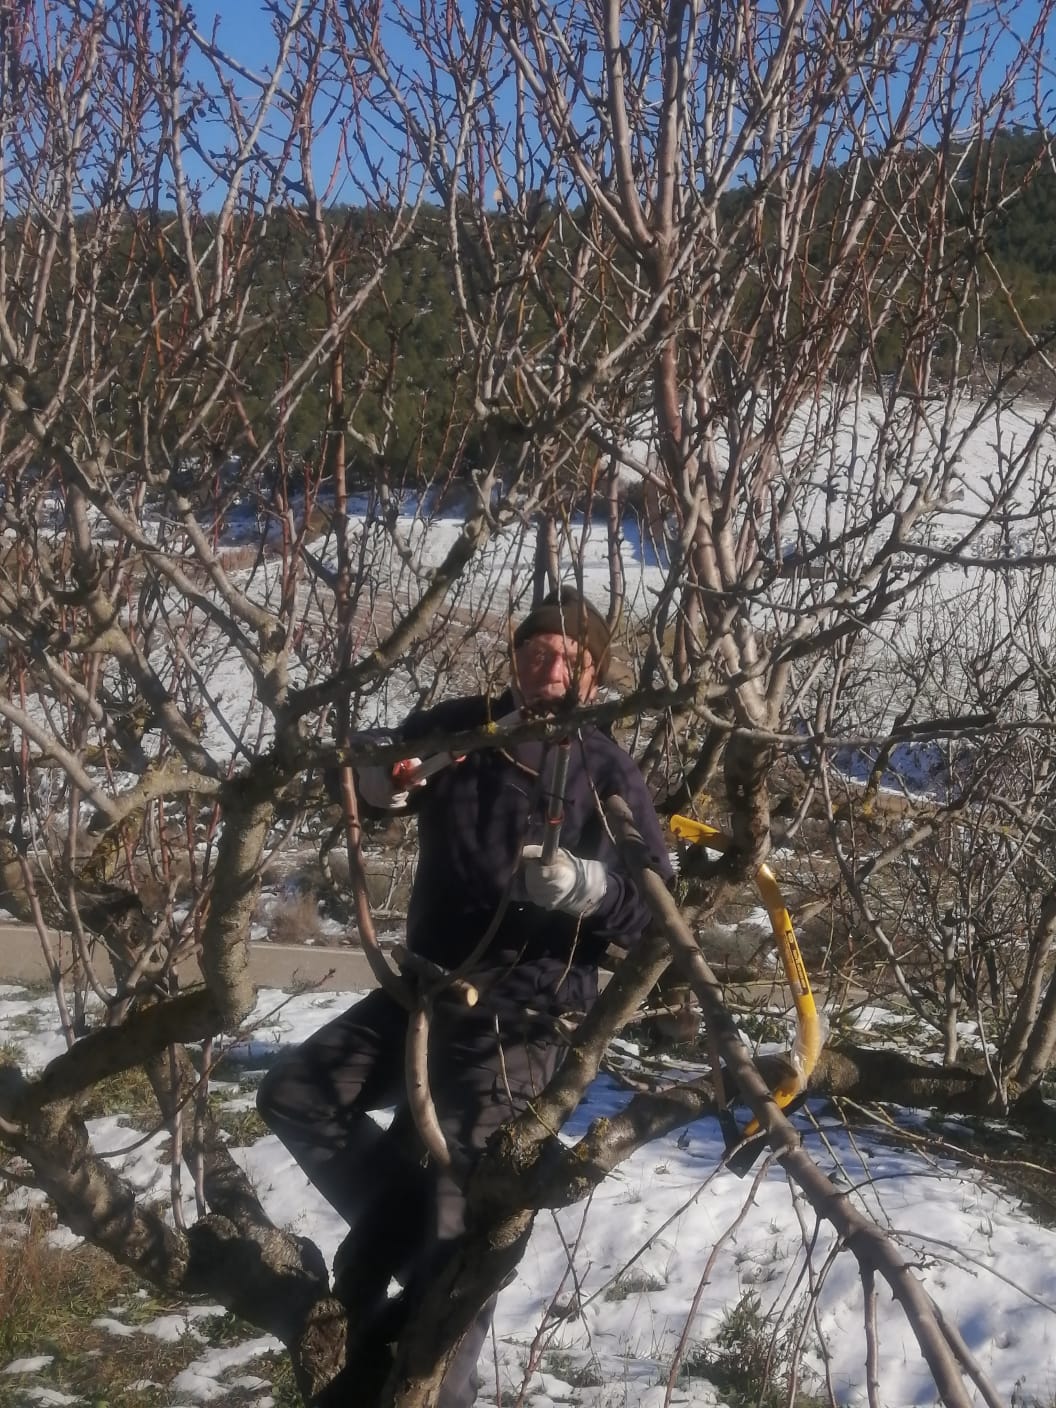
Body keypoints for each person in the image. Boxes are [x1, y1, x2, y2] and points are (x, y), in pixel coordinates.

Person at [257, 586, 674, 1406]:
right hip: (425, 991)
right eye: (536, 652)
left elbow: (656, 904)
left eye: (570, 658)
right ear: (515, 656)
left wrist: (591, 887)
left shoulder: (605, 768)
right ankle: (401, 1235)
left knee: (466, 1227)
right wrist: (384, 785)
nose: (550, 670)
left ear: (594, 673)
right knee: (299, 1093)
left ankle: (434, 1384)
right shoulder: (465, 725)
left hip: (521, 1022)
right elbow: (381, 786)